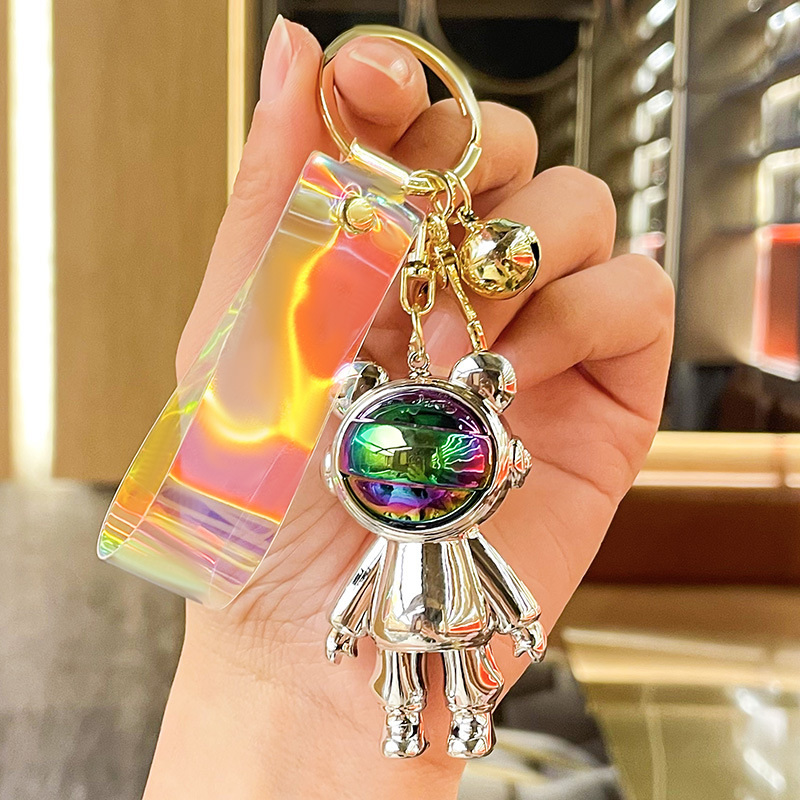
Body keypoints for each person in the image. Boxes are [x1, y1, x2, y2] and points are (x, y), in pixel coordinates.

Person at [144, 16, 674, 800]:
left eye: (449, 459)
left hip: (436, 604)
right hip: (407, 605)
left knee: (451, 669)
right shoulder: (391, 491)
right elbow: (386, 575)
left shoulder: (442, 501)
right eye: (397, 461)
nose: (423, 470)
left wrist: (294, 684)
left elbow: (473, 564)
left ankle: (451, 718)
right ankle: (407, 721)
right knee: (405, 674)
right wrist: (269, 668)